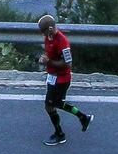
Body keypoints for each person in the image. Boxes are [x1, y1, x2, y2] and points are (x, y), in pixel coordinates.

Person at [38, 13, 92, 146]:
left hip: (62, 79)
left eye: (43, 31)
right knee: (54, 104)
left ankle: (60, 134)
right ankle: (83, 118)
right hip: (52, 77)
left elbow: (67, 63)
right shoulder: (48, 37)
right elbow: (49, 55)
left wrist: (49, 62)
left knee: (50, 105)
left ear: (50, 29)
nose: (42, 35)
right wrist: (43, 59)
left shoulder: (62, 41)